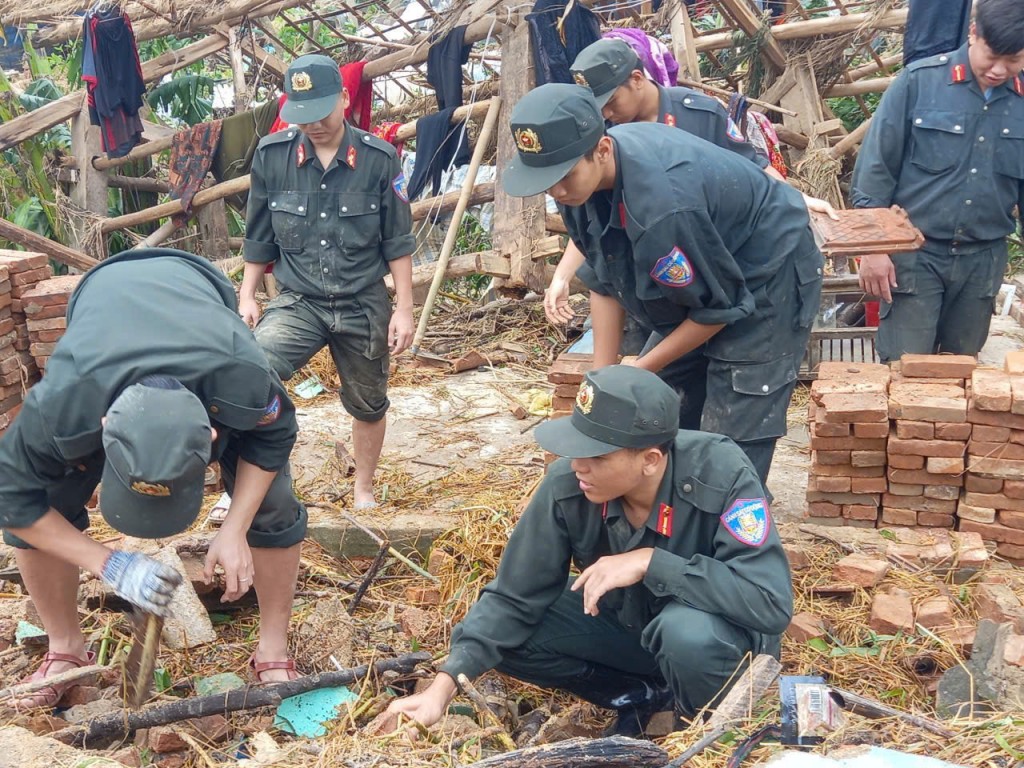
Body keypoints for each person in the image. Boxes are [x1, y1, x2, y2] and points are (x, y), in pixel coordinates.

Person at [380, 366, 792, 737]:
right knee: (505, 632)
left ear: (650, 460)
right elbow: (512, 598)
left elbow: (769, 604)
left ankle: (703, 728)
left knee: (685, 633)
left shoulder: (721, 473)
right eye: (575, 448)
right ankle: (642, 697)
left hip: (718, 644)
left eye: (596, 455)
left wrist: (652, 562)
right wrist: (442, 688)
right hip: (632, 628)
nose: (578, 465)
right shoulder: (569, 485)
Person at [0, 248, 308, 708]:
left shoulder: (242, 376)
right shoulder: (65, 402)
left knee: (274, 502)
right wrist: (107, 563)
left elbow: (275, 437)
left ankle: (273, 649)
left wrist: (235, 527)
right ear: (103, 429)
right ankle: (65, 648)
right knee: (42, 499)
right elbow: (12, 499)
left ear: (212, 433)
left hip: (196, 285)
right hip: (102, 296)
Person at [506, 84, 822, 483]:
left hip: (769, 272)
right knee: (661, 402)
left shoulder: (664, 206)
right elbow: (605, 281)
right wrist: (604, 380)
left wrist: (638, 368)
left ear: (602, 149)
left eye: (564, 177)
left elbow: (717, 311)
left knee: (731, 435)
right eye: (546, 181)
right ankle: (675, 507)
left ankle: (727, 520)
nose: (556, 191)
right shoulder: (576, 188)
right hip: (705, 274)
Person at [544, 38, 836, 329]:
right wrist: (563, 276)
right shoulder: (603, 135)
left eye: (610, 103)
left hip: (714, 265)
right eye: (599, 109)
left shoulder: (699, 114)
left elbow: (753, 169)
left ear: (636, 80)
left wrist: (797, 198)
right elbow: (595, 219)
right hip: (647, 276)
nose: (606, 113)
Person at [239, 53, 416, 510]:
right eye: (303, 115)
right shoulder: (272, 156)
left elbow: (397, 240)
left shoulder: (379, 158)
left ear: (343, 98)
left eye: (321, 112)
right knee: (253, 375)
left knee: (368, 401)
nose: (313, 124)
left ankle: (364, 489)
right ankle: (260, 487)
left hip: (362, 301)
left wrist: (404, 309)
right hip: (299, 301)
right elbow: (259, 236)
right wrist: (248, 295)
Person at [851, 0, 1024, 362]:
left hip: (982, 260)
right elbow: (874, 171)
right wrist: (873, 247)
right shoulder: (919, 82)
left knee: (960, 373)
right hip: (916, 257)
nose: (999, 69)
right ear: (973, 32)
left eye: (1014, 60)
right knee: (905, 370)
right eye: (992, 56)